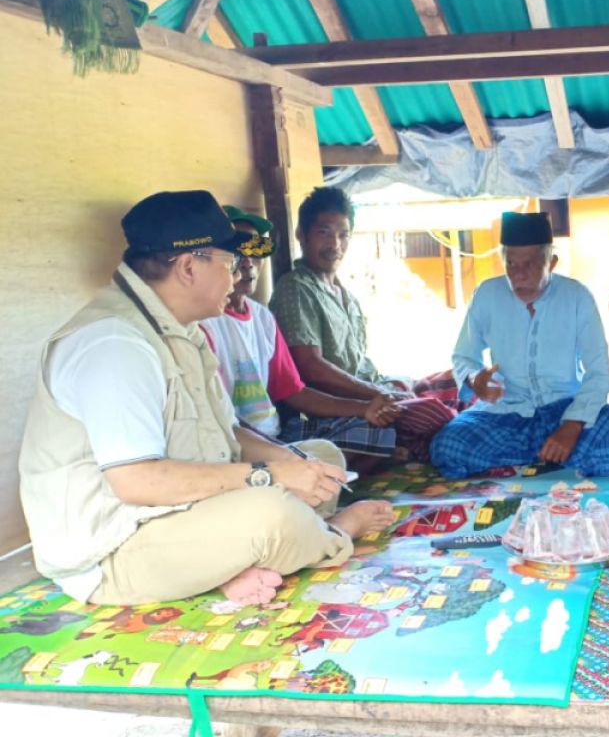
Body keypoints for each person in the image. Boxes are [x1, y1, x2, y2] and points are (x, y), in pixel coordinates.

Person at [18, 191, 393, 607]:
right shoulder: (115, 344)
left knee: (323, 457)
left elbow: (226, 430)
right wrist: (270, 475)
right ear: (188, 266)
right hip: (113, 550)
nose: (237, 277)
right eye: (230, 264)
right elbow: (136, 481)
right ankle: (334, 534)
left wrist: (288, 462)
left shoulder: (181, 330)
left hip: (178, 513)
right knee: (273, 513)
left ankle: (234, 563)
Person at [431, 211, 609, 478]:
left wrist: (572, 425)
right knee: (447, 445)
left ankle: (545, 452)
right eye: (511, 264)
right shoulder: (487, 294)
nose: (519, 275)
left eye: (530, 264)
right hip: (505, 414)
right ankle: (554, 456)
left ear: (551, 262)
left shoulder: (576, 296)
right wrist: (475, 380)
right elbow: (463, 356)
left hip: (564, 408)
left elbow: (598, 372)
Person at [200, 206, 405, 466]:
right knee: (327, 457)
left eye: (256, 250)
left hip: (277, 436)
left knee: (377, 427)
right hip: (238, 445)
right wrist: (281, 454)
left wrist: (366, 408)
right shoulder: (203, 324)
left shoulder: (262, 318)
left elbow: (294, 392)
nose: (248, 262)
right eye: (237, 251)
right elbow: (221, 419)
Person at [270, 187, 455, 465]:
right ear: (301, 235)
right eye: (324, 232)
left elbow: (359, 365)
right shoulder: (295, 288)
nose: (335, 244)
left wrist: (390, 388)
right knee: (432, 414)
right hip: (334, 412)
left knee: (452, 382)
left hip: (370, 395)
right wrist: (377, 395)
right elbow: (311, 367)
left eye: (343, 235)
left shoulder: (346, 295)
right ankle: (386, 452)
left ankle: (392, 448)